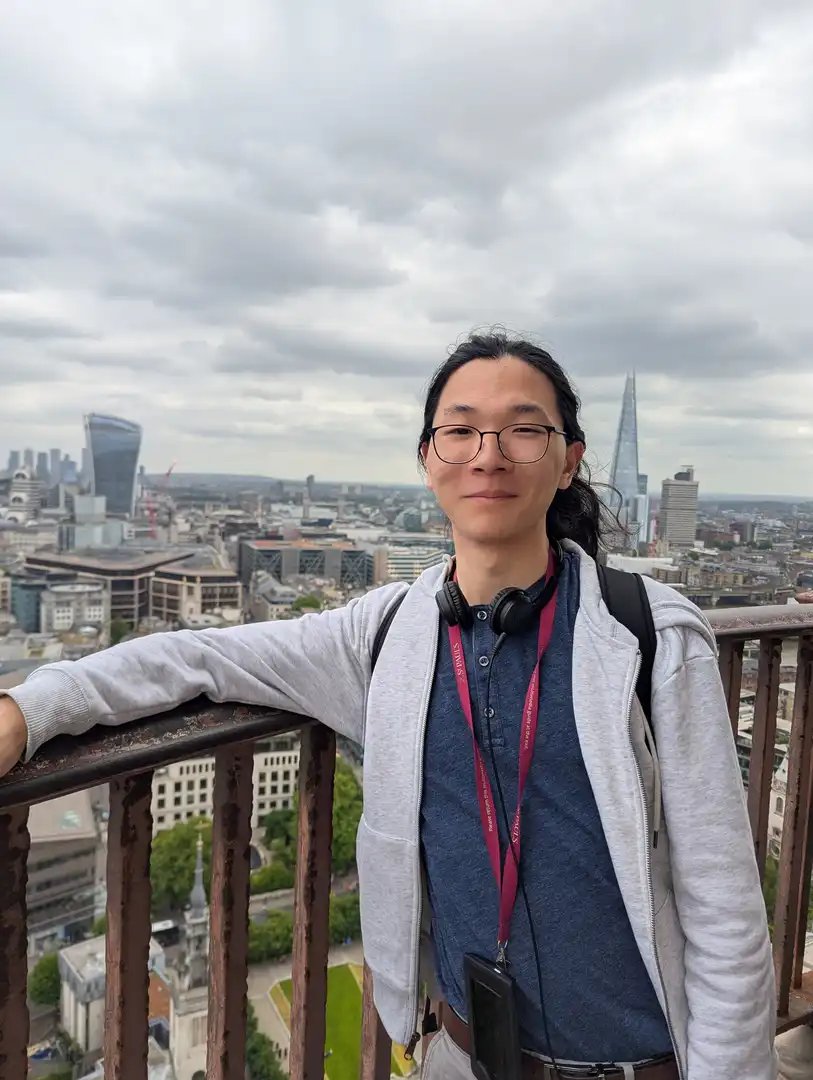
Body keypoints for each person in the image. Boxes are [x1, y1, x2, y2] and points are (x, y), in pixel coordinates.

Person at [0, 332, 775, 1080]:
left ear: (569, 460)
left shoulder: (651, 636)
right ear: (427, 459)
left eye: (523, 430)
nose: (488, 453)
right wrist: (30, 710)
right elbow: (200, 655)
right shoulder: (381, 638)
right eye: (460, 430)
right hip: (460, 1059)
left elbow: (725, 915)